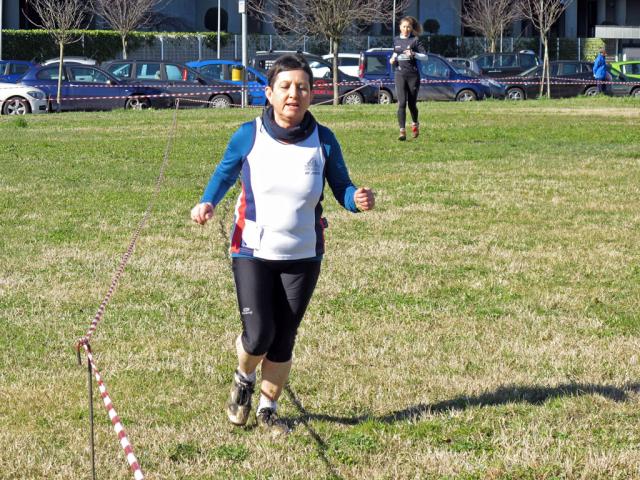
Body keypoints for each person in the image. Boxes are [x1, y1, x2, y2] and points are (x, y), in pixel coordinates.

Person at [191, 54, 375, 436]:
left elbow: (340, 186)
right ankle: (244, 378)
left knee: (284, 336)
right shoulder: (248, 135)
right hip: (252, 251)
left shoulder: (323, 139)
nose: (295, 94)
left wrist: (354, 199)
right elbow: (224, 175)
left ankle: (268, 410)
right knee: (259, 334)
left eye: (303, 88)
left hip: (304, 254)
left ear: (312, 94)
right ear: (269, 93)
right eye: (286, 87)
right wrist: (208, 201)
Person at [390, 16, 427, 141]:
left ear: (411, 28)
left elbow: (425, 57)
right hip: (400, 74)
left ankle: (415, 123)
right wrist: (392, 59)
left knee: (412, 104)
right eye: (404, 26)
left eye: (408, 27)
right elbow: (395, 52)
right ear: (400, 27)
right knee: (401, 103)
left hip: (413, 76)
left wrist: (414, 54)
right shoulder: (396, 40)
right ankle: (402, 131)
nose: (406, 29)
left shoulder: (415, 41)